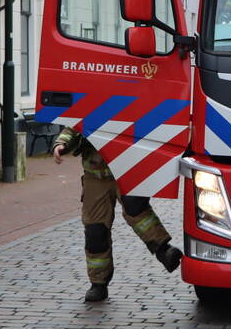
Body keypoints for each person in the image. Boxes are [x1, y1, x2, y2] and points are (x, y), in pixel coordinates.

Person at [52, 127, 182, 302]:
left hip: (128, 169)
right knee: (95, 230)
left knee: (138, 211)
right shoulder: (90, 100)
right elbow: (75, 124)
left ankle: (163, 250)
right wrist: (62, 143)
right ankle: (98, 283)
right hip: (95, 175)